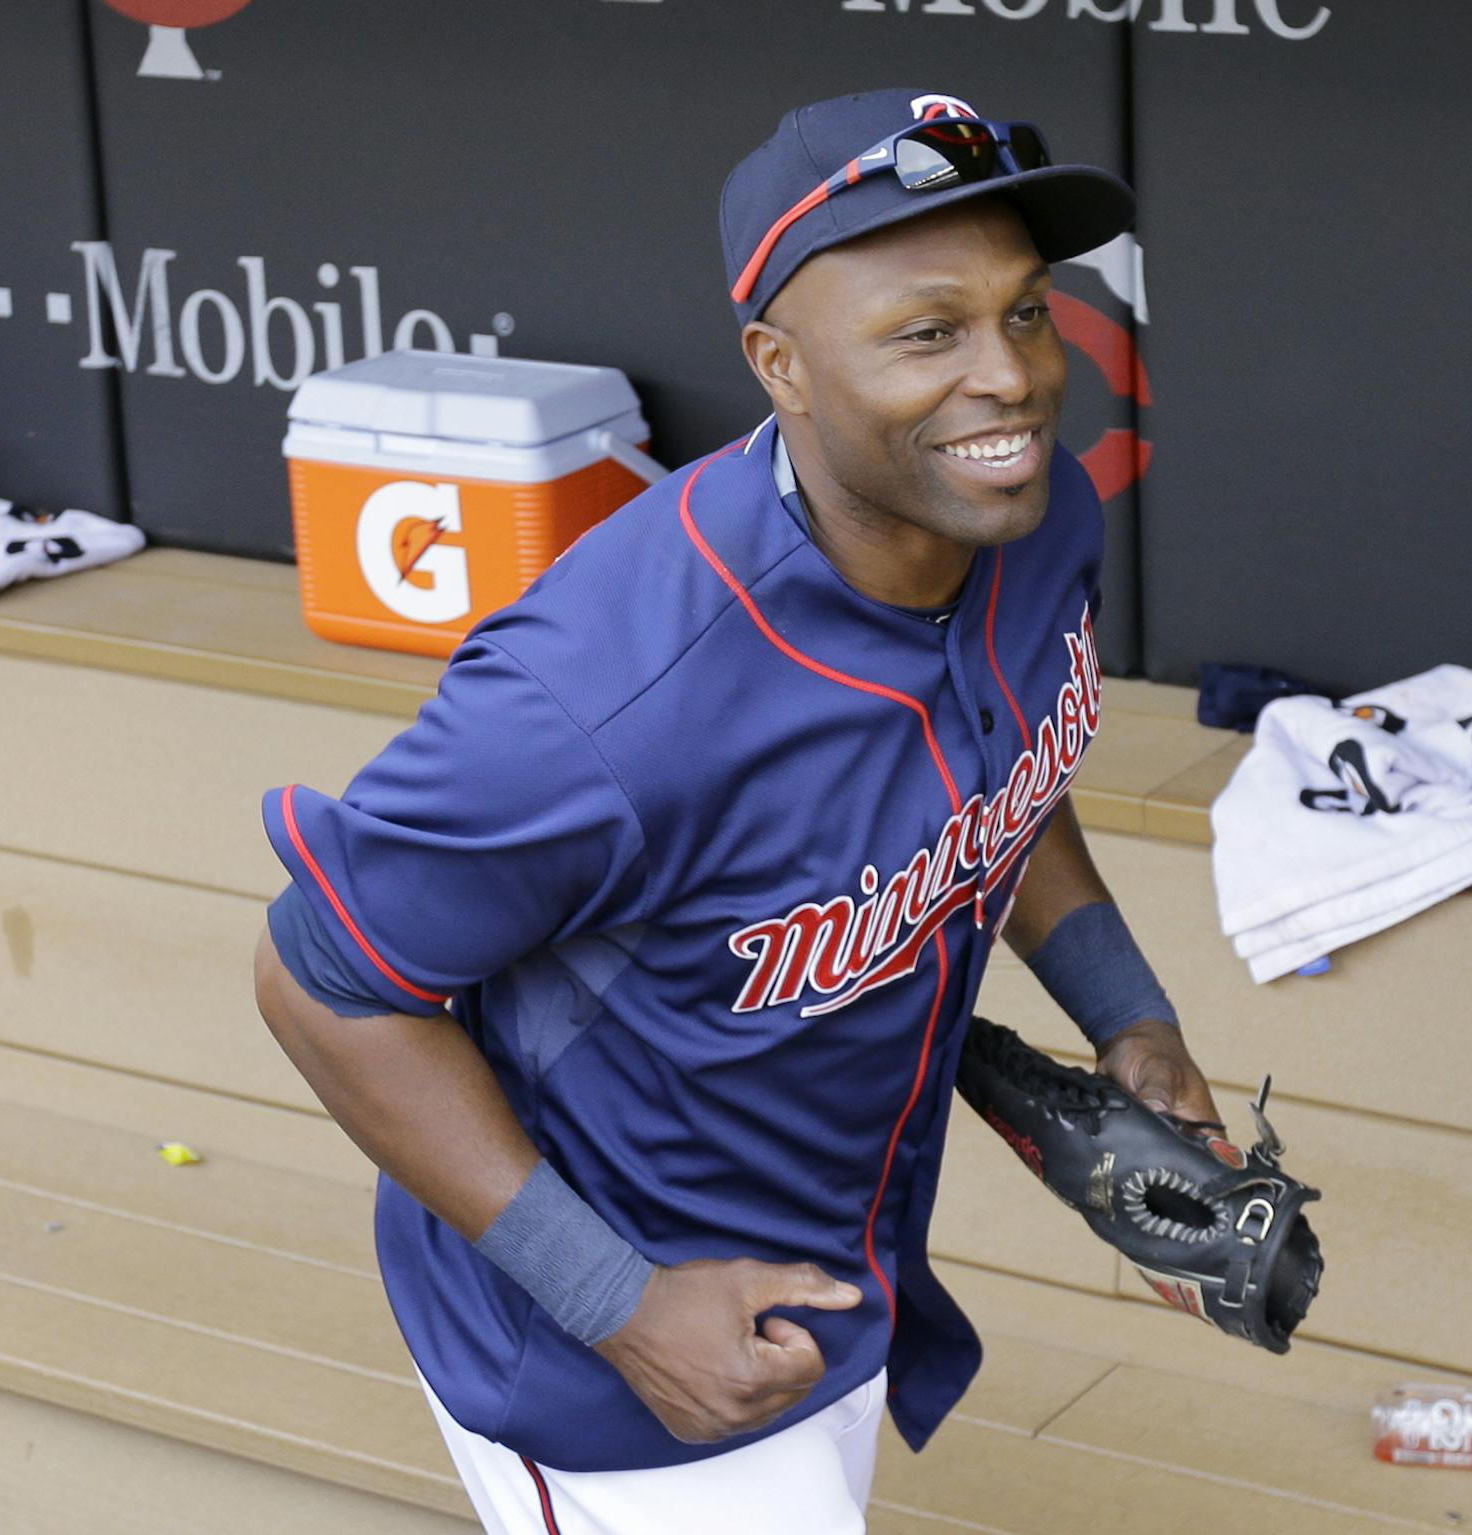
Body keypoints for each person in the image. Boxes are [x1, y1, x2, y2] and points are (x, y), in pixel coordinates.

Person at [253, 87, 1226, 1534]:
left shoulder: (1030, 519)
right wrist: (619, 1305)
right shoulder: (603, 699)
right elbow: (318, 984)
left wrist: (1129, 1016)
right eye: (925, 331)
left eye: (1026, 314)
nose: (1010, 378)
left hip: (835, 1253)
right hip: (612, 1346)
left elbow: (1005, 764)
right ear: (781, 365)